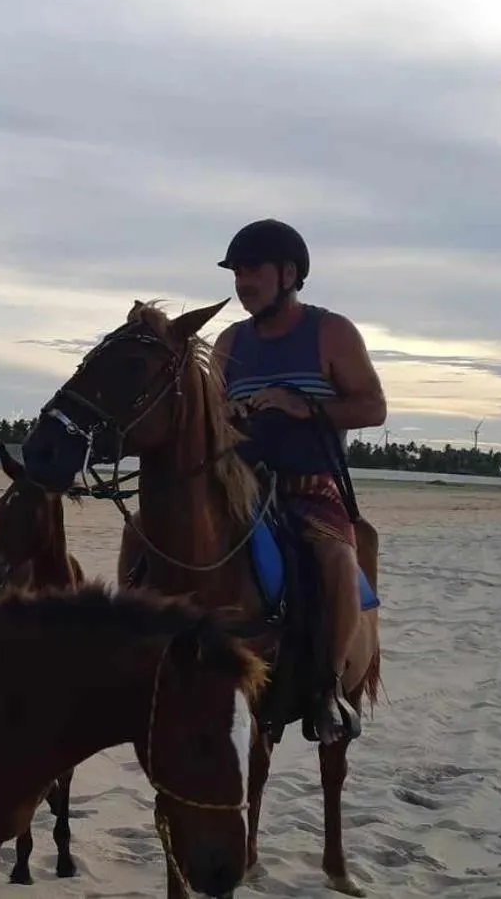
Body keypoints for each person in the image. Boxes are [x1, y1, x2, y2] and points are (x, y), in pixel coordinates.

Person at [209, 218, 386, 745]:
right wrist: (230, 414)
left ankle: (328, 689)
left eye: (252, 270)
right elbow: (210, 417)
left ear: (288, 274)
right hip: (238, 486)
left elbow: (373, 408)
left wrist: (302, 404)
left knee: (335, 557)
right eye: (236, 273)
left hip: (311, 486)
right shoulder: (229, 341)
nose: (242, 283)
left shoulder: (330, 332)